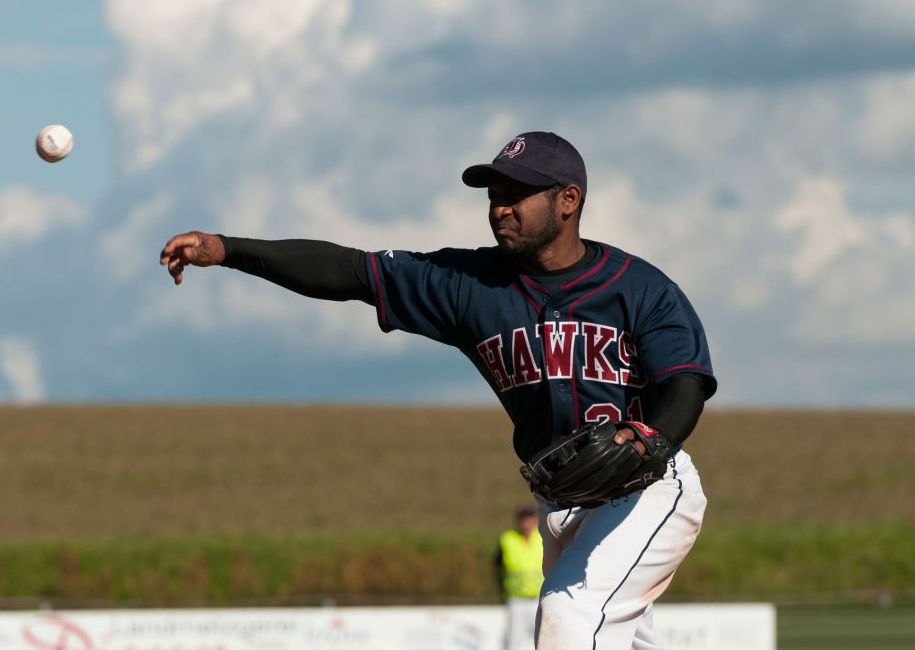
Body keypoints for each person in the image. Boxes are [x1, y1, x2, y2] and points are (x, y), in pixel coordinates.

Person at [160, 131, 716, 649]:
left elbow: (684, 381)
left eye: (516, 195)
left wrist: (652, 438)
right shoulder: (469, 286)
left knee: (570, 614)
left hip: (647, 490)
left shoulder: (640, 288)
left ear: (568, 200)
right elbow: (351, 271)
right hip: (561, 501)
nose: (499, 208)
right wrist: (226, 249)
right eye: (494, 196)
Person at [497, 505, 545, 650]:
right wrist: (501, 590)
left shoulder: (543, 538)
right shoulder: (508, 539)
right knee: (513, 643)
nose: (525, 523)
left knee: (545, 640)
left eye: (528, 518)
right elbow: (497, 566)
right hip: (516, 600)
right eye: (523, 519)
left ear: (535, 519)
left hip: (540, 599)